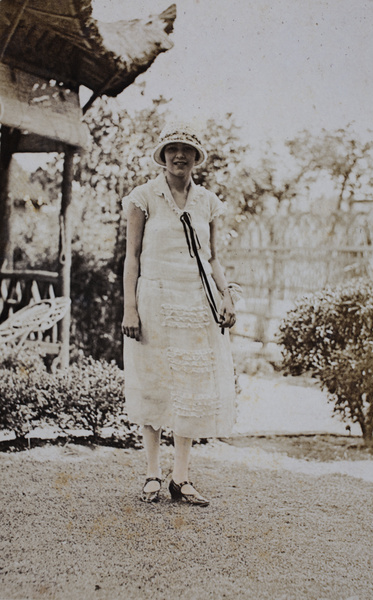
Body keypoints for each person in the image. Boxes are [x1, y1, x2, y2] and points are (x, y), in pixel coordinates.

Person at [121, 122, 240, 506]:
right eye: (173, 148)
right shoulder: (144, 197)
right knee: (155, 383)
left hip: (195, 303)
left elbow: (214, 258)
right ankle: (153, 474)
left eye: (187, 150)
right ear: (163, 154)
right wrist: (130, 308)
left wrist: (227, 297)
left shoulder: (207, 202)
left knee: (190, 388)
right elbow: (132, 257)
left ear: (196, 159)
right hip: (154, 299)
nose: (179, 155)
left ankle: (182, 478)